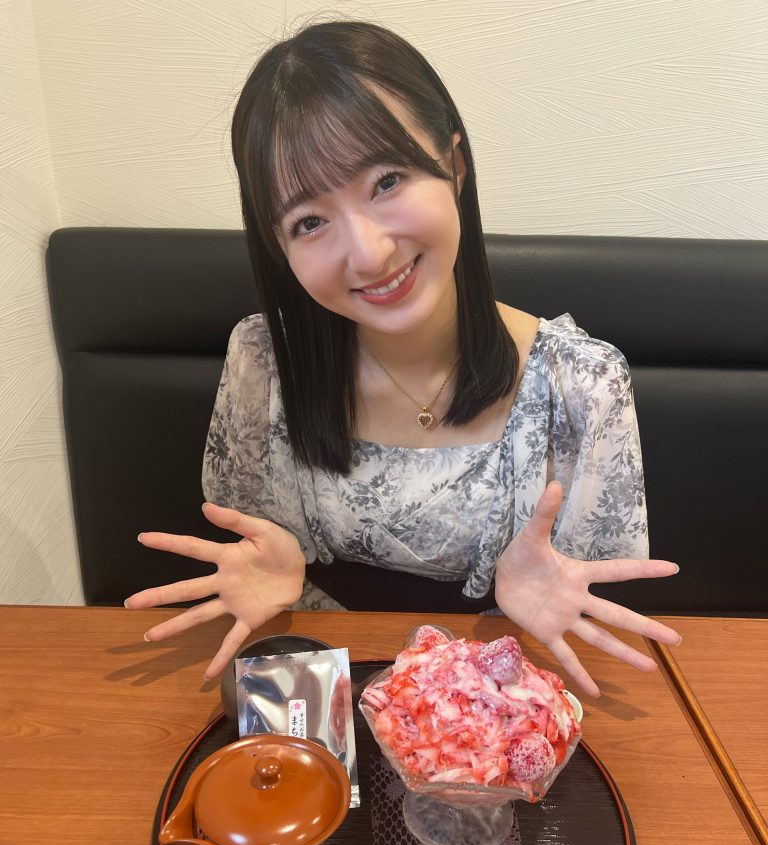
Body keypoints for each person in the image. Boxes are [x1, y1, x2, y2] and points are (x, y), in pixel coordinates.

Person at [125, 20, 681, 697]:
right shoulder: (263, 361)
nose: (368, 253)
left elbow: (587, 617)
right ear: (279, 247)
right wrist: (278, 575)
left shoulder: (582, 383)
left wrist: (520, 613)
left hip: (498, 699)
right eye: (309, 221)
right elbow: (255, 561)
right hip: (323, 689)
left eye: (386, 181)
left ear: (454, 164)